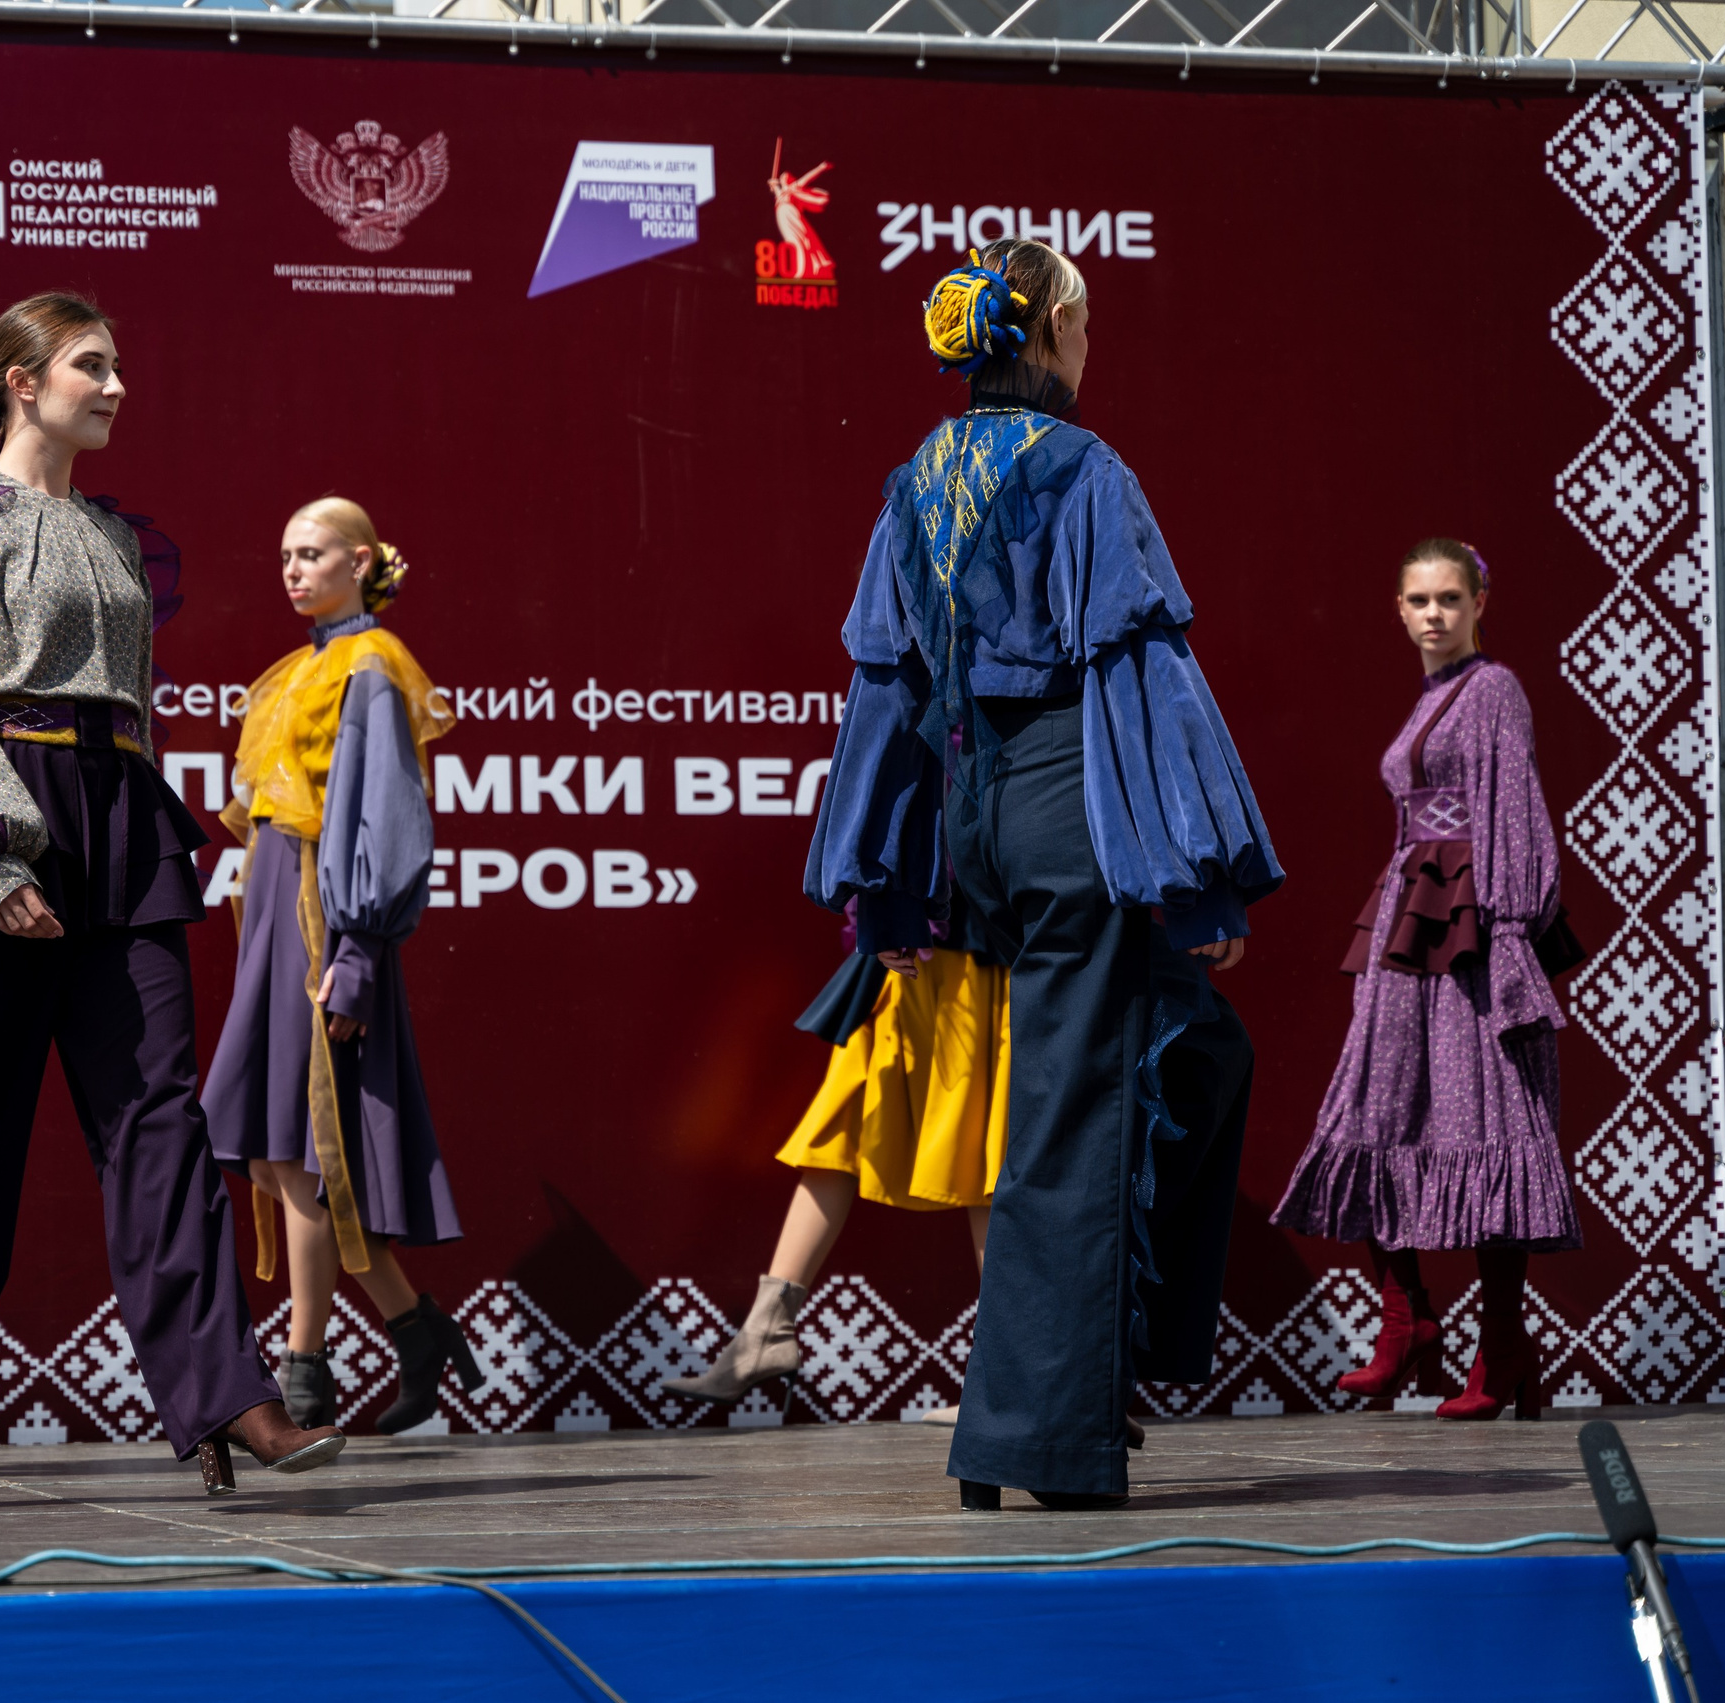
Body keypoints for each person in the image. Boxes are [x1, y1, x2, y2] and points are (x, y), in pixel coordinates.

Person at [807, 240, 1279, 1511]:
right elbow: (1140, 666)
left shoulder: (917, 476)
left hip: (982, 824)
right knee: (1073, 1122)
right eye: (1086, 325)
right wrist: (1201, 876)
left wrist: (885, 879)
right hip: (1077, 809)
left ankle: (1081, 1389)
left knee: (1180, 1060)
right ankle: (1032, 1436)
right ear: (1056, 330)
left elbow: (887, 686)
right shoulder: (1083, 468)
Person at [0, 293, 338, 1508]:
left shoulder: (117, 538)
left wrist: (114, 821)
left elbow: (129, 699)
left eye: (118, 365)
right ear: (21, 381)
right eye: (90, 365)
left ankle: (225, 1391)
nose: (116, 384)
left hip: (116, 817)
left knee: (162, 1119)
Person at [1272, 540, 1578, 1420]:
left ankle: (1505, 1343)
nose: (1435, 613)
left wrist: (1511, 931)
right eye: (1419, 599)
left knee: (1486, 1122)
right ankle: (1408, 1320)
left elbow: (1516, 812)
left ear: (1481, 599)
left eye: (1450, 597)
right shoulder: (1432, 695)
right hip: (1409, 922)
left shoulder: (1493, 692)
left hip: (1469, 935)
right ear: (1398, 609)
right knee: (1374, 1110)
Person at [201, 499, 482, 1435]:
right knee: (282, 1149)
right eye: (283, 554)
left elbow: (386, 820)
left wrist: (357, 955)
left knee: (303, 1151)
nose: (291, 569)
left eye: (311, 553)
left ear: (359, 561)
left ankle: (307, 1363)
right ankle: (413, 1329)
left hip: (326, 912)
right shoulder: (298, 669)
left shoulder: (370, 666)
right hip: (278, 904)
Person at [661, 915, 1005, 1424]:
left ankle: (1018, 1382)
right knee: (842, 1132)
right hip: (913, 960)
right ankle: (765, 1331)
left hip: (966, 963)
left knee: (982, 1154)